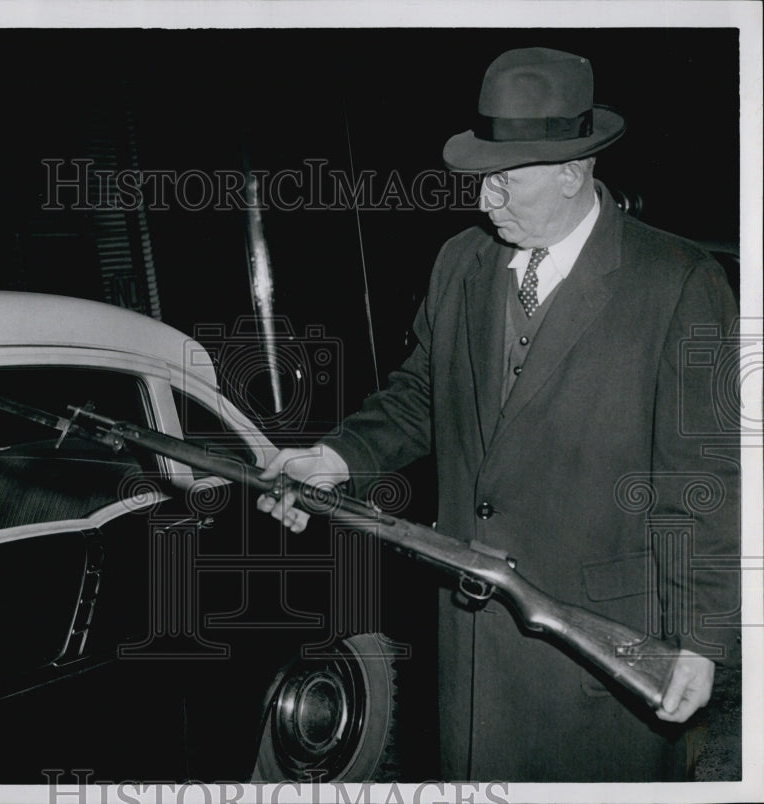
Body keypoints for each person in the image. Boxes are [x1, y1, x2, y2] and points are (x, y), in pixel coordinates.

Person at [257, 47, 740, 782]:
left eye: (505, 181)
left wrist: (700, 642)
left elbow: (702, 478)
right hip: (473, 643)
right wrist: (338, 458)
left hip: (600, 654)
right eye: (483, 179)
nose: (485, 200)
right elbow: (420, 394)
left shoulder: (676, 283)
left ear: (574, 172)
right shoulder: (460, 263)